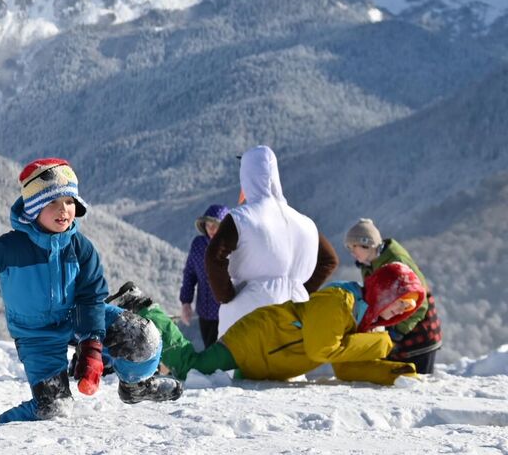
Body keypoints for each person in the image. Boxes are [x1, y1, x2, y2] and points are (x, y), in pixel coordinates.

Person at [0, 159, 180, 423]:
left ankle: (135, 386)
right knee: (54, 408)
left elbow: (91, 297)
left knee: (143, 337)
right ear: (33, 208)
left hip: (75, 316)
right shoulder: (9, 248)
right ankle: (1, 431)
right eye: (52, 202)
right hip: (35, 334)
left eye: (69, 202)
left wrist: (91, 345)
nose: (63, 210)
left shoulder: (81, 248)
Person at [120, 261, 427, 386]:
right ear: (385, 293)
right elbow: (323, 350)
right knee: (193, 369)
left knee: (210, 380)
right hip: (254, 341)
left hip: (264, 357)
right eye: (399, 303)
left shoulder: (361, 320)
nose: (397, 312)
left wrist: (395, 373)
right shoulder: (340, 302)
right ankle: (146, 309)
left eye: (405, 309)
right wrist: (383, 343)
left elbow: (344, 365)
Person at [207, 146, 338, 336]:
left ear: (246, 177)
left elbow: (213, 256)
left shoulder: (241, 218)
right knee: (287, 363)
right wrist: (299, 288)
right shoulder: (304, 223)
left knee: (240, 363)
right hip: (295, 313)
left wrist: (226, 295)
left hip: (248, 312)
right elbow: (329, 259)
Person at [345, 218, 442, 375]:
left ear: (367, 245)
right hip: (398, 332)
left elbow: (420, 301)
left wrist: (397, 333)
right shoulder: (369, 264)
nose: (352, 253)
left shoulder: (397, 263)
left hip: (418, 335)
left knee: (416, 385)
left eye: (354, 247)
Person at [180, 203, 228, 347]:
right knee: (209, 348)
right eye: (208, 225)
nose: (211, 229)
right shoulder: (198, 245)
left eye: (215, 225)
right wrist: (186, 302)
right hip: (204, 312)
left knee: (222, 353)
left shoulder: (232, 247)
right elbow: (190, 274)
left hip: (227, 312)